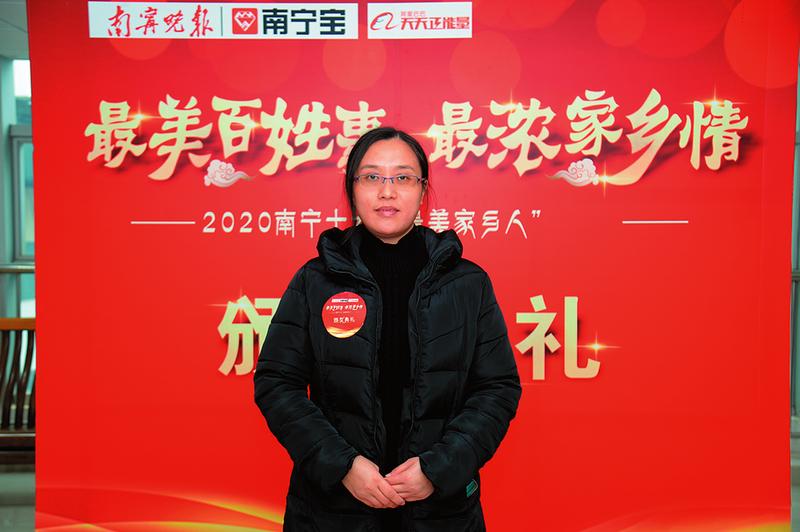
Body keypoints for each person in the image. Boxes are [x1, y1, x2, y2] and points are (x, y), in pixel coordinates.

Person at [253, 127, 522, 532]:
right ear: (352, 188)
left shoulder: (467, 283)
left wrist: (438, 468)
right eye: (372, 176)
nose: (387, 191)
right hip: (332, 512)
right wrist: (342, 466)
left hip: (441, 513)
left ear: (423, 190)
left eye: (403, 177)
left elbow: (497, 388)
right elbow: (277, 383)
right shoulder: (315, 280)